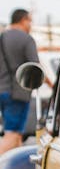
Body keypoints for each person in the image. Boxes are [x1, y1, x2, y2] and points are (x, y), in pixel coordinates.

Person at [0, 9, 44, 153]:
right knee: (12, 135)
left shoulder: (2, 37)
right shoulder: (26, 39)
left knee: (17, 136)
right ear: (23, 20)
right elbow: (35, 67)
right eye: (30, 21)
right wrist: (51, 84)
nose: (30, 24)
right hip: (18, 92)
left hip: (2, 91)